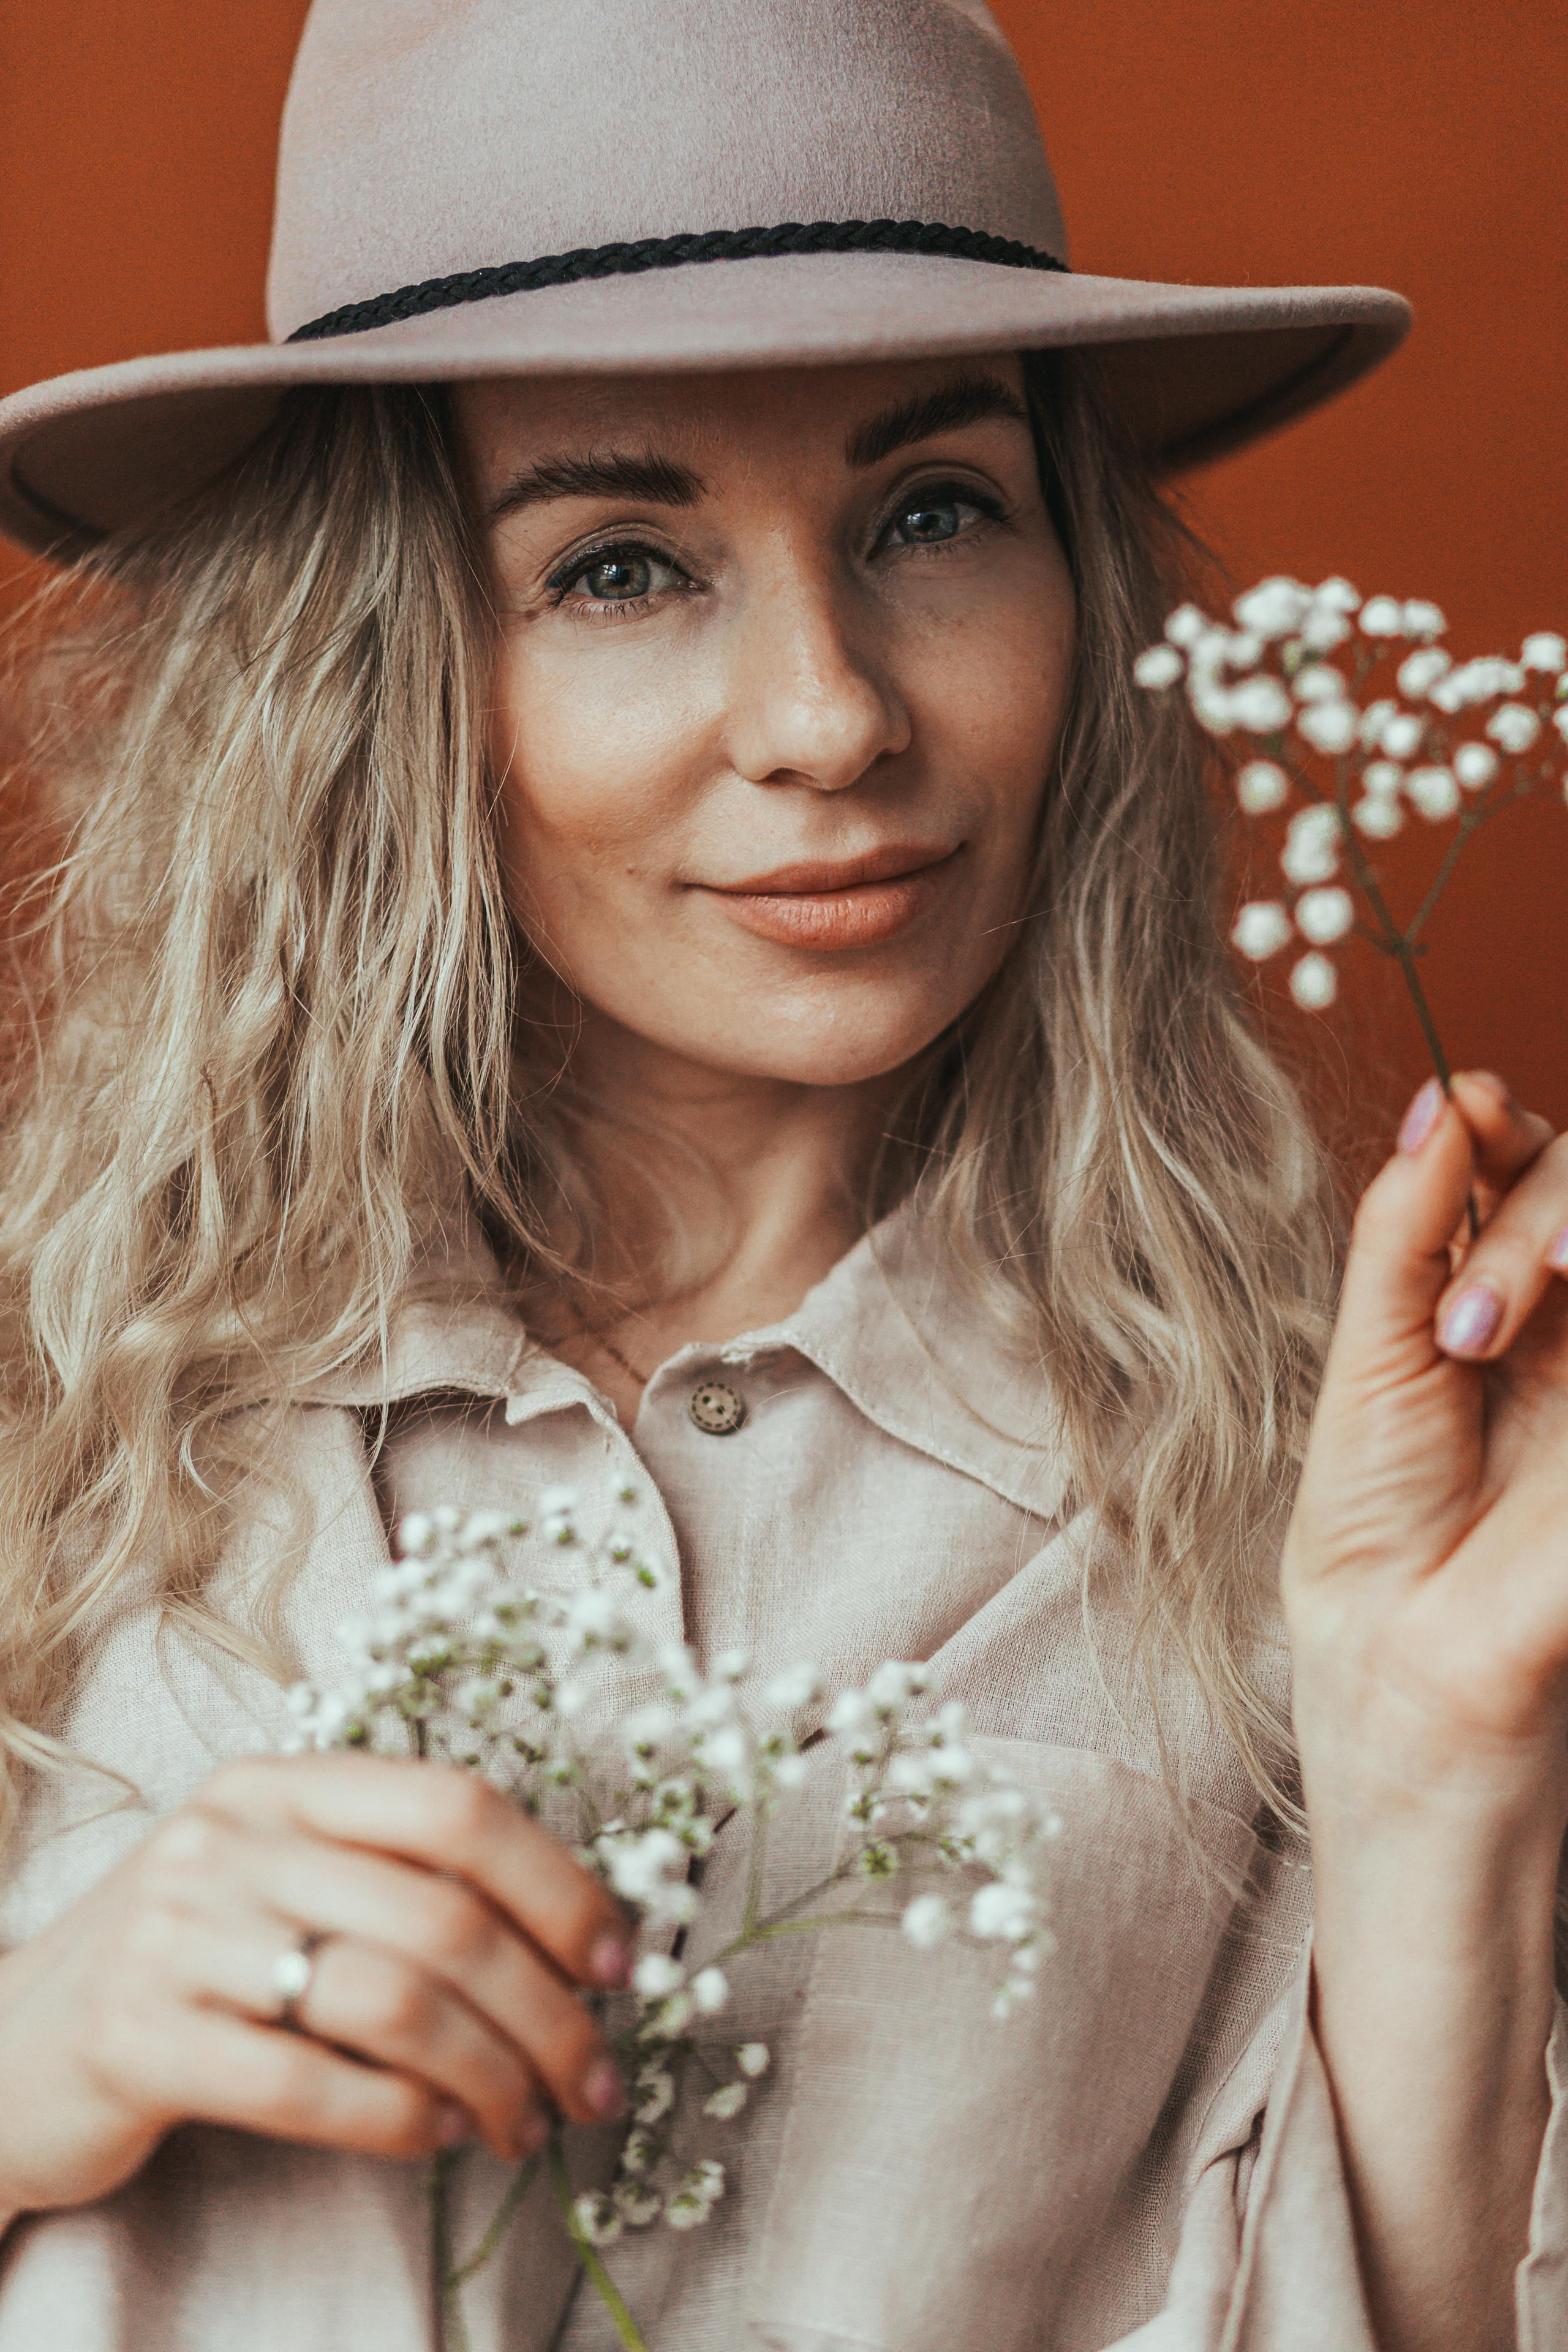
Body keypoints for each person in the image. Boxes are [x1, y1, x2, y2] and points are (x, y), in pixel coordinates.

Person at [0, 3, 1562, 2348]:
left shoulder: (1332, 1505)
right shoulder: (55, 1404)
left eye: (934, 515)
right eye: (622, 565)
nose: (835, 715)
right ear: (383, 673)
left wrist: (1440, 1775)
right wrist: (35, 2057)